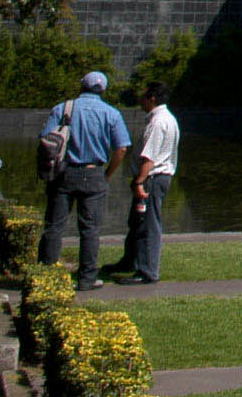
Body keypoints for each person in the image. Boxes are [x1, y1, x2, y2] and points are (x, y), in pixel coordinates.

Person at [38, 70, 131, 289]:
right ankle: (87, 279)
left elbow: (45, 139)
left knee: (54, 226)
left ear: (82, 86)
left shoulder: (63, 109)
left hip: (64, 172)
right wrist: (108, 173)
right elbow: (121, 148)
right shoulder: (112, 114)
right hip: (94, 173)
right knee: (90, 229)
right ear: (103, 90)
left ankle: (46, 276)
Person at [113, 81, 179, 284]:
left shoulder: (158, 122)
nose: (140, 100)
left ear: (152, 98)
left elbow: (149, 157)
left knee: (148, 225)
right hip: (154, 177)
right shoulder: (166, 119)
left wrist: (139, 182)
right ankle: (130, 261)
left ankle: (147, 271)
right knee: (137, 221)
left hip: (152, 178)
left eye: (143, 96)